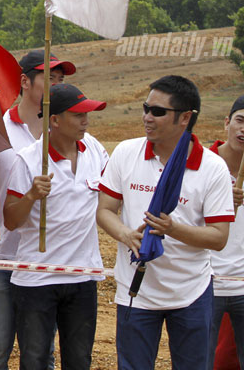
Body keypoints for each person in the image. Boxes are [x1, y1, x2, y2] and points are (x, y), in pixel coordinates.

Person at [97, 75, 234, 370]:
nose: (147, 117)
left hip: (191, 292)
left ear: (185, 117)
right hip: (136, 290)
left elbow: (219, 237)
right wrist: (125, 234)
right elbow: (105, 209)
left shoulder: (212, 168)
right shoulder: (125, 152)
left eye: (157, 111)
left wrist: (173, 229)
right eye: (146, 108)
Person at [0, 49, 75, 370]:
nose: (56, 85)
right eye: (49, 78)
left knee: (42, 353)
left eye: (61, 79)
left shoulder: (62, 133)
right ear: (25, 81)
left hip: (44, 259)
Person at [3, 84, 109, 370]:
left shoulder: (96, 150)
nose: (85, 121)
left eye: (87, 114)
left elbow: (114, 196)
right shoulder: (29, 159)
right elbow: (10, 220)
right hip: (37, 279)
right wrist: (31, 196)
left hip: (83, 276)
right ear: (55, 120)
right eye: (78, 115)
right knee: (35, 360)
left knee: (79, 360)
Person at [208, 96, 244, 370]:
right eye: (240, 121)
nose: (243, 130)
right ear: (227, 123)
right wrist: (218, 204)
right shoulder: (204, 165)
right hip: (205, 283)